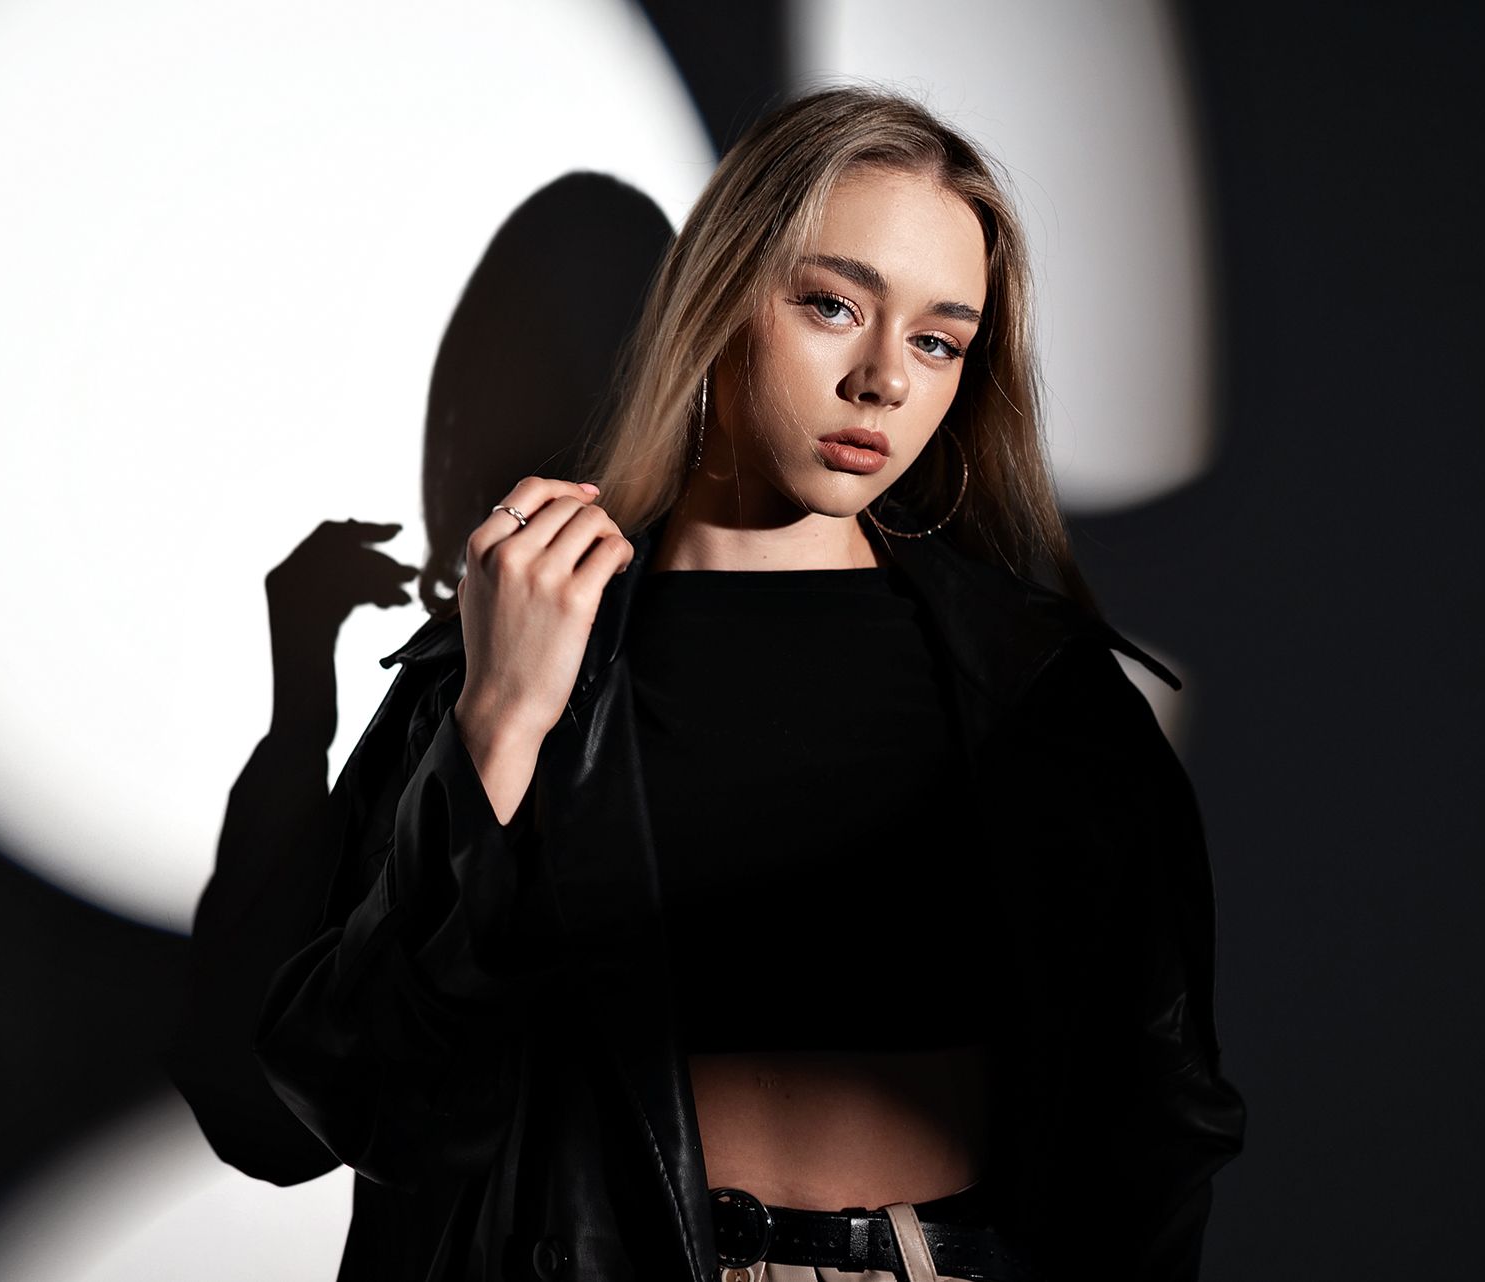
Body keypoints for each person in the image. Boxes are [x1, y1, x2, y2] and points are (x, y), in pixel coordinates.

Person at [182, 87, 1247, 1281]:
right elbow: (347, 1106)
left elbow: (1156, 1124)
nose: (884, 379)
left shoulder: (1036, 689)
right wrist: (489, 722)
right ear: (724, 296)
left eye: (938, 340)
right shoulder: (520, 653)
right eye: (834, 305)